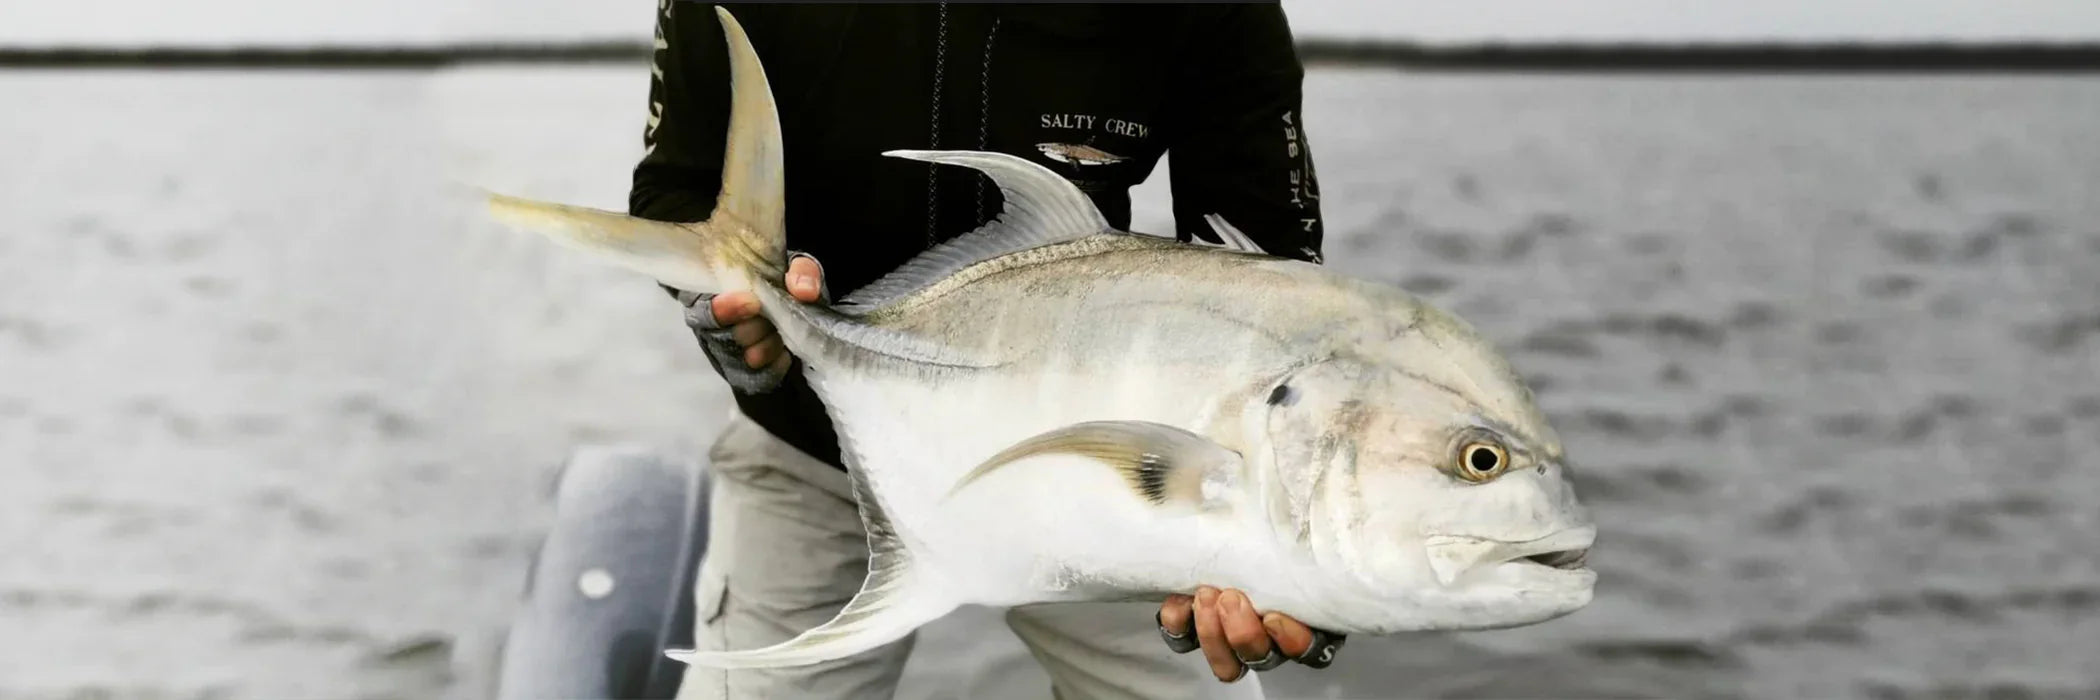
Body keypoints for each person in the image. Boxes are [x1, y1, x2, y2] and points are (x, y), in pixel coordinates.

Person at [631, 3, 1340, 697]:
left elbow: (1272, 293)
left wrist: (1313, 573)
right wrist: (733, 311)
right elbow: (676, 190)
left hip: (1101, 463)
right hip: (814, 449)